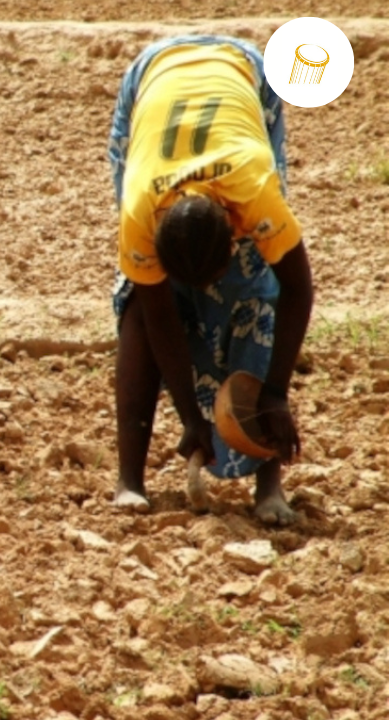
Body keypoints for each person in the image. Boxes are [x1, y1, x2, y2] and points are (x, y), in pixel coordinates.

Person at [107, 35, 313, 524]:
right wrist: (190, 417)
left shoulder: (253, 190)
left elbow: (296, 289)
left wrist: (277, 393)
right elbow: (158, 316)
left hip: (244, 74)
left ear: (237, 231)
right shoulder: (140, 211)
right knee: (141, 301)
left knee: (253, 294)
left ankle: (269, 486)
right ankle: (129, 481)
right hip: (150, 76)